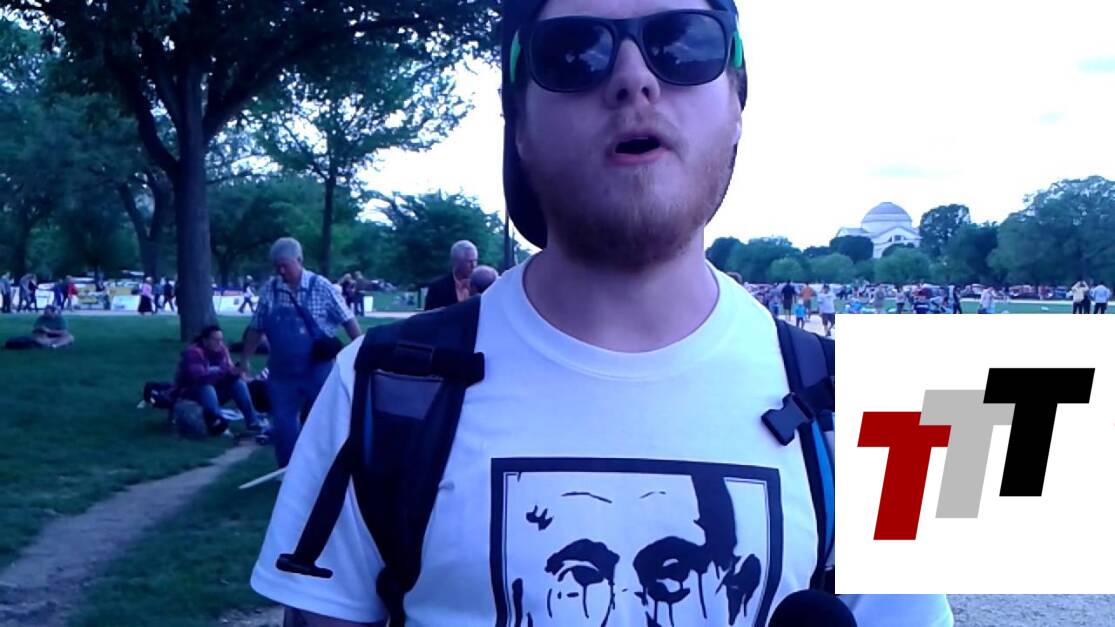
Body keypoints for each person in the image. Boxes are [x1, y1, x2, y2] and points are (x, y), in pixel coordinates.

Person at [250, 2, 950, 625]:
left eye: (683, 43)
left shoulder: (869, 412)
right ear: (518, 123)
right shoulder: (376, 389)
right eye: (574, 52)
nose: (633, 78)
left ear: (737, 101)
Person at [241, 237, 362, 468]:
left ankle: (327, 470)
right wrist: (245, 359)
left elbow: (348, 320)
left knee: (324, 422)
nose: (281, 271)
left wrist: (361, 350)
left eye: (285, 265)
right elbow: (256, 328)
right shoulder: (270, 290)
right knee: (284, 424)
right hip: (282, 374)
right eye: (277, 266)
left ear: (299, 260)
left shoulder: (322, 287)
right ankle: (289, 472)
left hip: (318, 370)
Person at [172, 325, 263, 433]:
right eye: (215, 340)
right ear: (205, 340)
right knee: (207, 388)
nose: (219, 343)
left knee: (238, 384)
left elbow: (227, 372)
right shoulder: (194, 353)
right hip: (190, 393)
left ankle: (253, 422)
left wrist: (237, 372)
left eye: (221, 340)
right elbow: (199, 378)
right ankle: (219, 425)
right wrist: (226, 373)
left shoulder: (222, 351)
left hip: (214, 391)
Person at [424, 240, 479, 310]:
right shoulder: (437, 288)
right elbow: (429, 315)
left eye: (475, 261)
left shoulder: (481, 284)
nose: (473, 266)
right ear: (456, 262)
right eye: (469, 262)